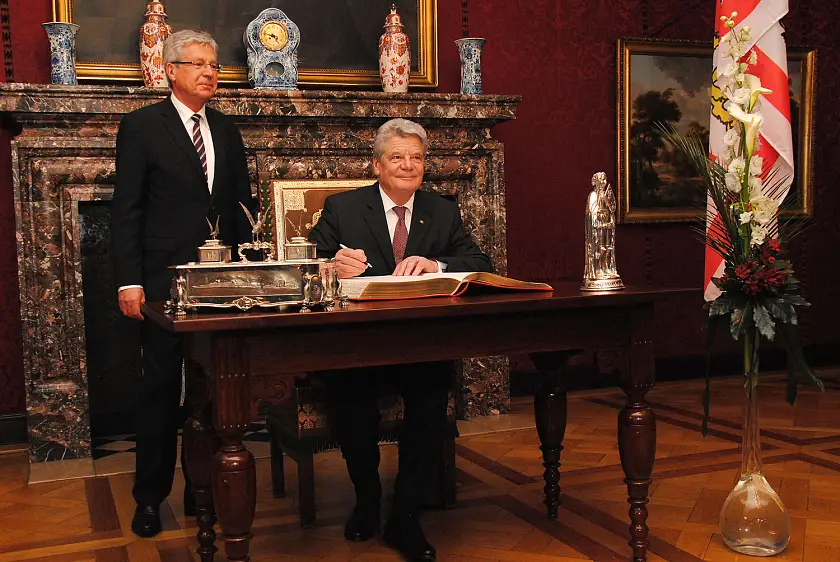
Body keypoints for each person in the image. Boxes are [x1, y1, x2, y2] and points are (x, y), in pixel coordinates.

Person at [309, 118, 492, 561]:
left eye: (416, 157)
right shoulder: (343, 208)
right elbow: (310, 262)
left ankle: (405, 515)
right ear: (377, 164)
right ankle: (368, 501)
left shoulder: (443, 210)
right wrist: (332, 265)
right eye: (397, 157)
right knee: (350, 398)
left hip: (421, 341)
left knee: (431, 395)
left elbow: (478, 259)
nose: (408, 166)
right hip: (357, 342)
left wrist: (436, 263)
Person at [111, 29, 254, 538]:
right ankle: (149, 499)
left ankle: (206, 491)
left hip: (221, 286)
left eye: (214, 65)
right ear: (170, 70)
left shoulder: (228, 130)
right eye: (197, 64)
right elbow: (126, 211)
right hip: (160, 285)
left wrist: (247, 274)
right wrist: (129, 281)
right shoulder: (142, 127)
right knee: (160, 391)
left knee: (217, 393)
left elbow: (242, 209)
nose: (209, 72)